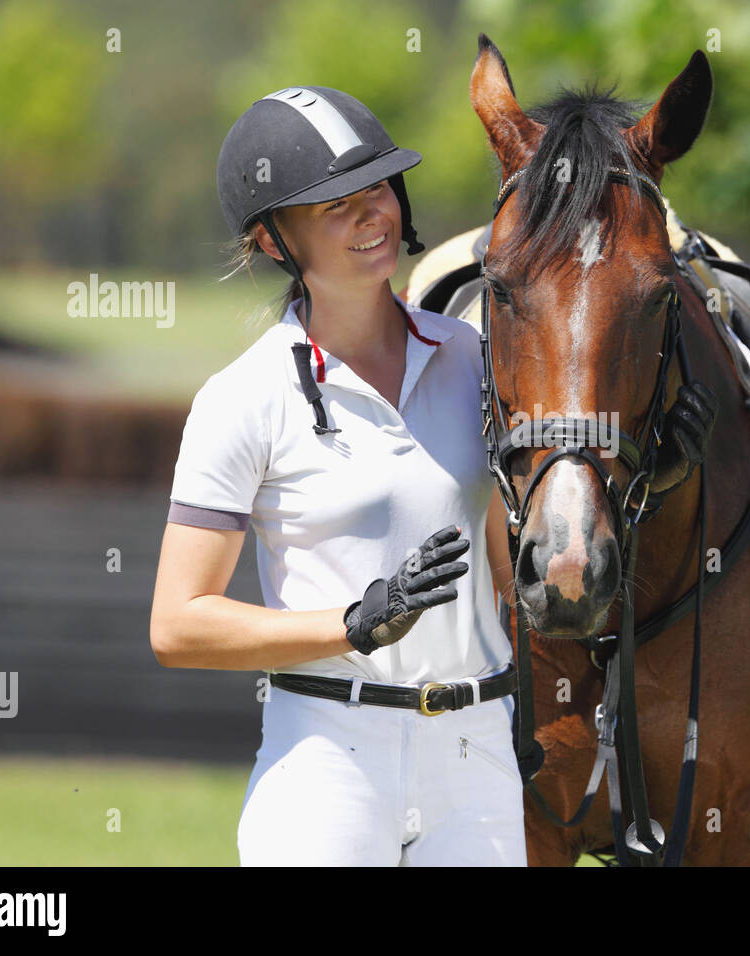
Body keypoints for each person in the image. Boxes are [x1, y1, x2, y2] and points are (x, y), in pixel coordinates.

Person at [148, 85, 713, 867]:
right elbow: (178, 626)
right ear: (274, 242)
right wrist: (350, 623)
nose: (370, 214)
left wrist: (656, 473)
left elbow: (534, 545)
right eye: (332, 206)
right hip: (328, 758)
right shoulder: (241, 400)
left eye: (376, 187)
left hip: (477, 761)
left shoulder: (476, 362)